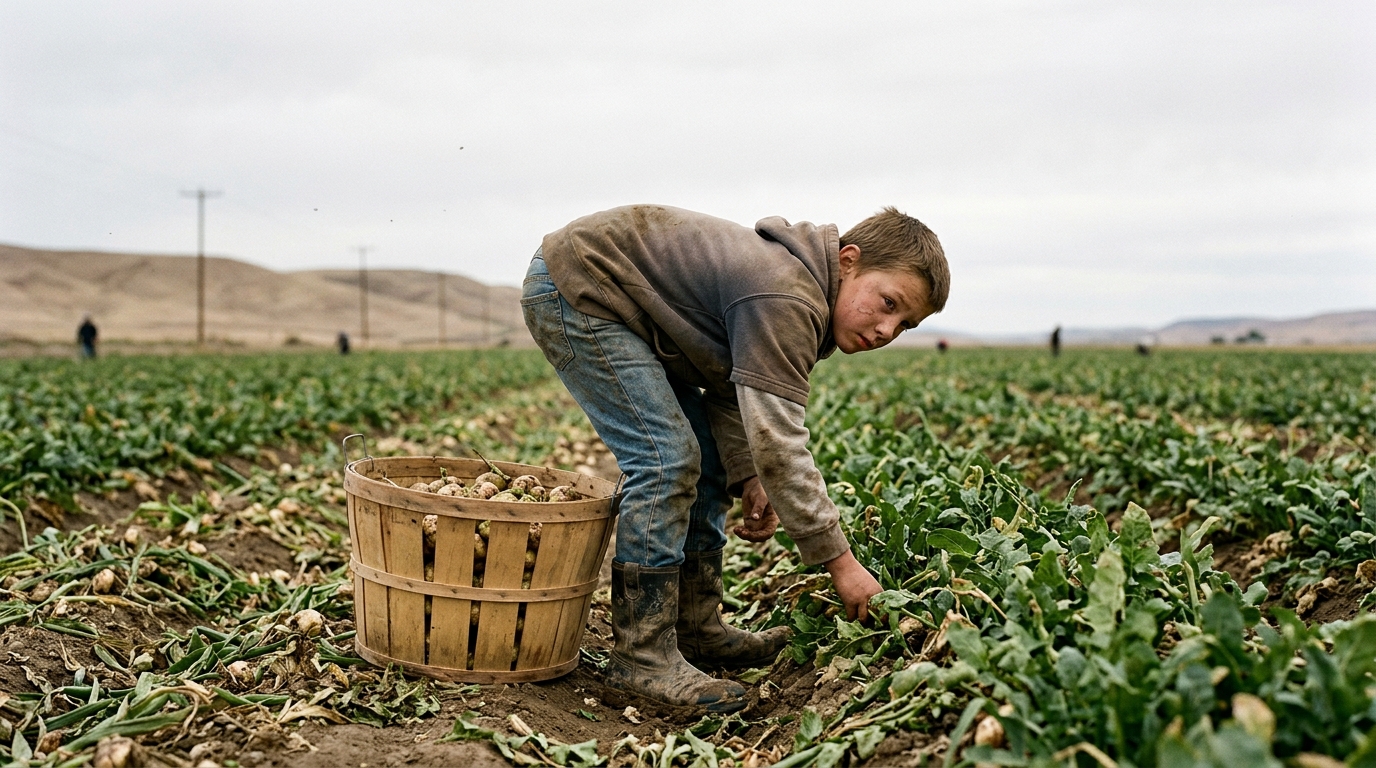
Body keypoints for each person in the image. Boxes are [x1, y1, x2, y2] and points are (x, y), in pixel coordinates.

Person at [523, 204, 950, 713]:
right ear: (849, 261)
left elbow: (730, 386)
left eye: (905, 325)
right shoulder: (786, 295)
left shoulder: (803, 297)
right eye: (888, 303)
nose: (886, 329)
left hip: (622, 302)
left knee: (704, 459)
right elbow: (781, 444)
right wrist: (842, 564)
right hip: (581, 289)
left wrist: (748, 475)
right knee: (667, 460)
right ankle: (641, 654)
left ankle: (695, 630)